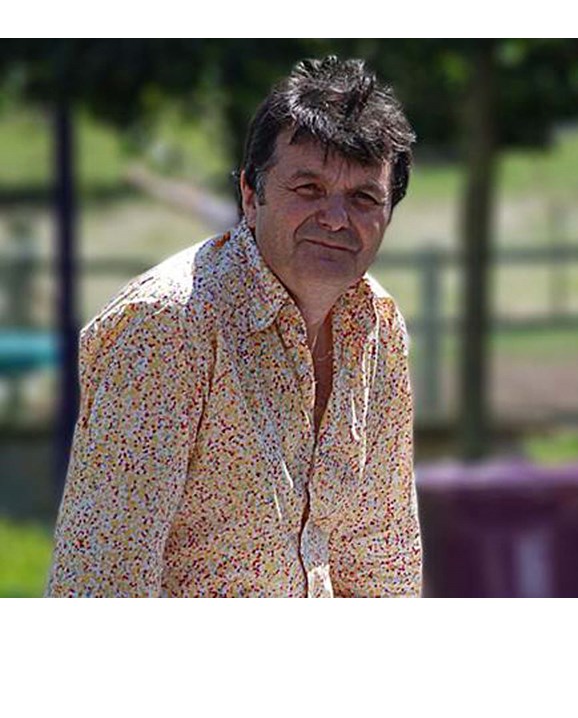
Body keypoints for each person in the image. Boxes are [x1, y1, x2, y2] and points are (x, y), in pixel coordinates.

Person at [46, 56, 422, 597]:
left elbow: (383, 562)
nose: (336, 218)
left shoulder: (378, 325)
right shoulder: (168, 326)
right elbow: (102, 582)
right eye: (308, 188)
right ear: (250, 194)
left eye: (363, 198)